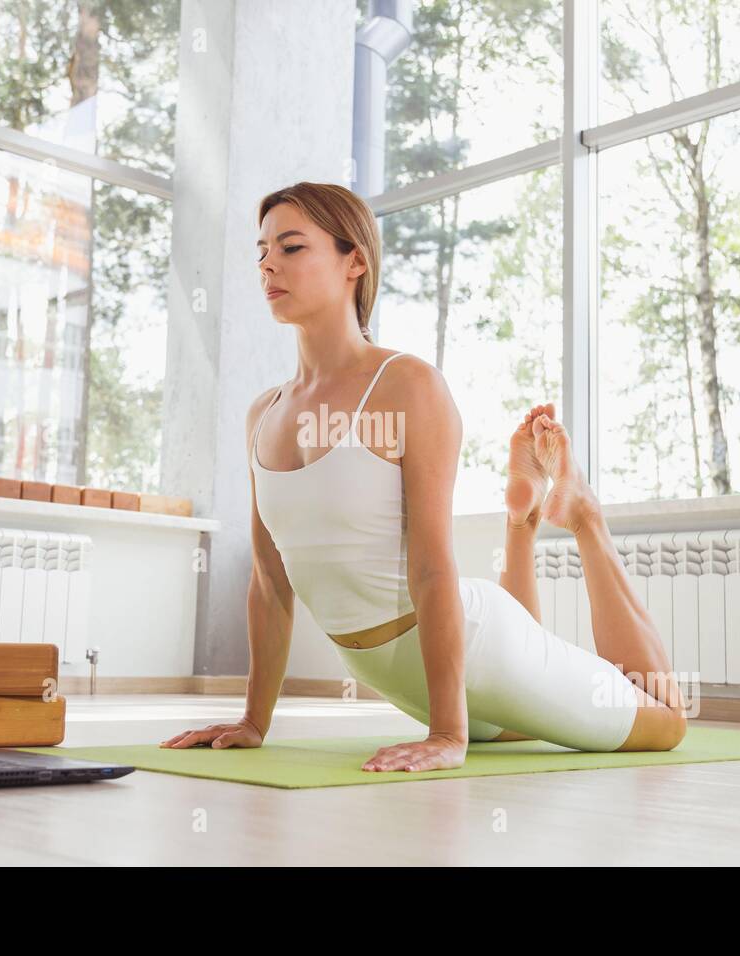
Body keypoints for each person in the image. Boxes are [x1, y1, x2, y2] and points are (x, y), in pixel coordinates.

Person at [161, 181, 687, 772]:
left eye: (291, 247)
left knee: (665, 721)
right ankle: (522, 521)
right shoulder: (263, 413)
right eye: (261, 252)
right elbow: (269, 582)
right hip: (396, 674)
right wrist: (254, 722)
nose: (268, 265)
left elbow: (434, 568)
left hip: (480, 647)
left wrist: (447, 735)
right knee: (515, 724)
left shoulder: (407, 385)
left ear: (354, 259)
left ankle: (585, 517)